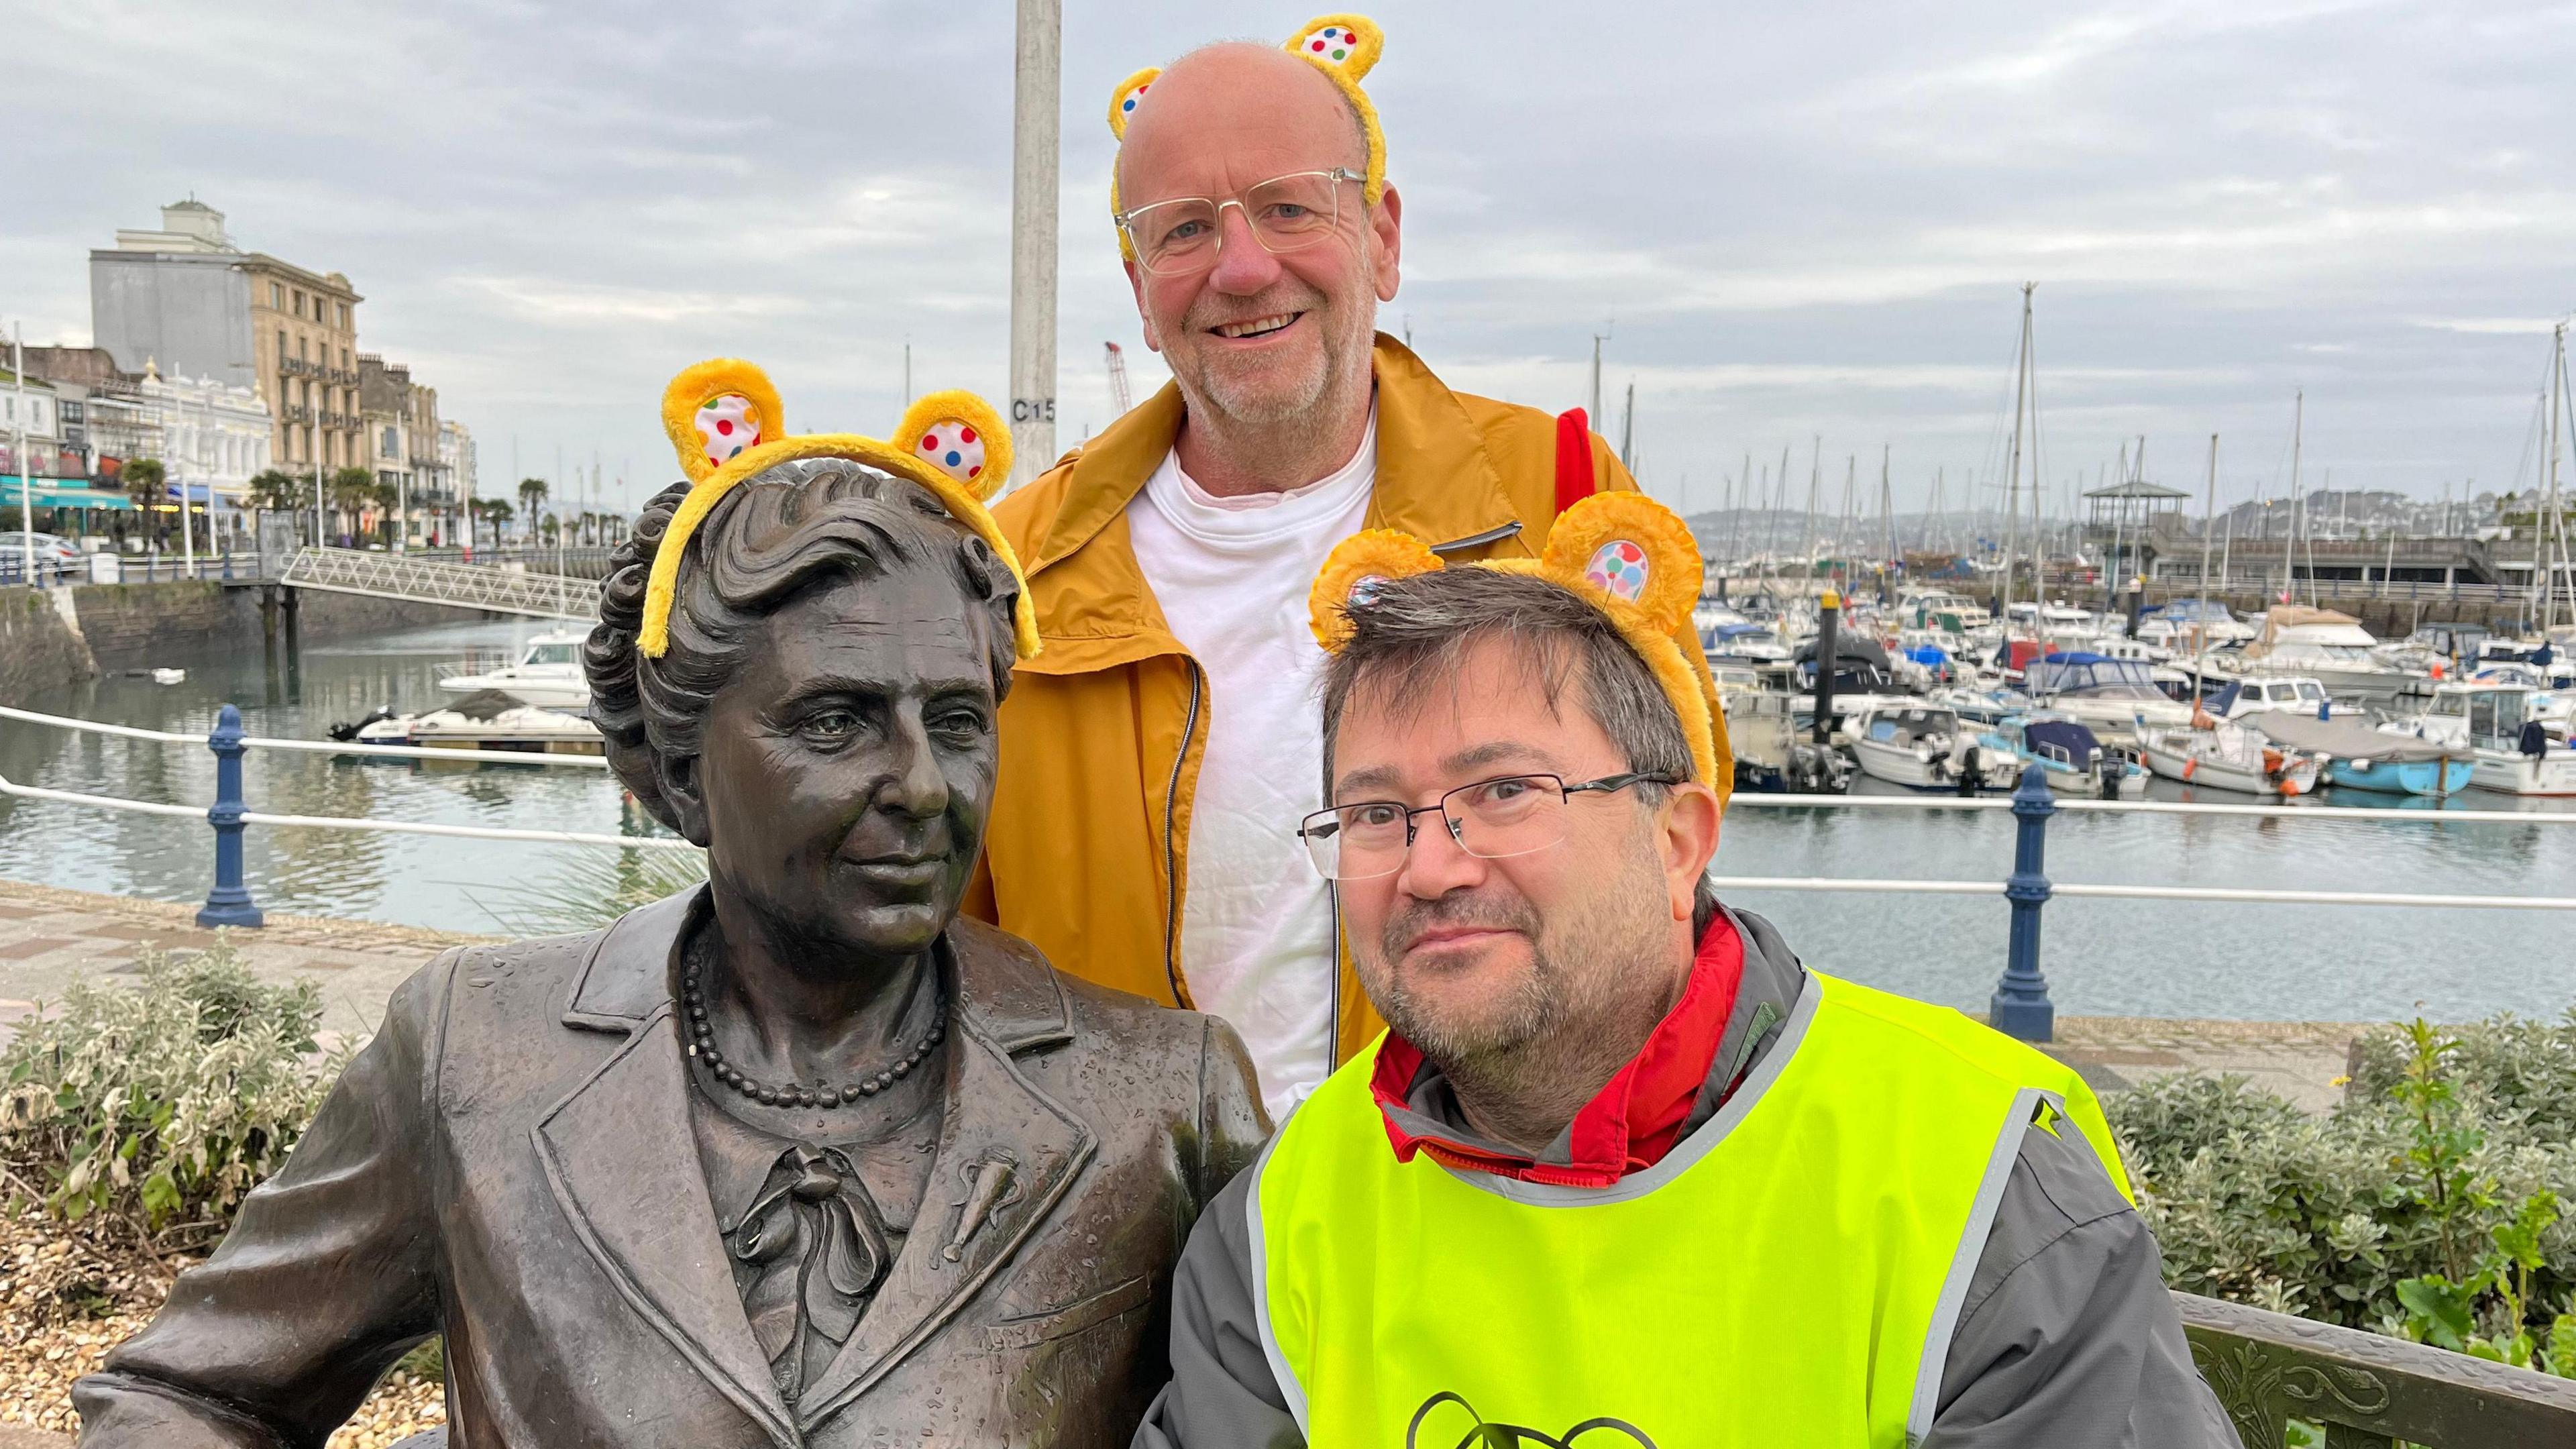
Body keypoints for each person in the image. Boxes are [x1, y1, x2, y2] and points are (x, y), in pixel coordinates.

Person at [76, 362, 1265, 1448]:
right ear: (679, 767)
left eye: (956, 721)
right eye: (836, 721)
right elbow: (189, 1396)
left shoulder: (1165, 1099)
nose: (919, 786)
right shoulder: (470, 1053)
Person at [1137, 494, 2236, 1447]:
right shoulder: (1288, 1216)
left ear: (1677, 841)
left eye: (1506, 792)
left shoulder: (1978, 1189)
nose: (1429, 866)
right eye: (1378, 815)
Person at [973, 13, 1720, 1117]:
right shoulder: (1007, 570)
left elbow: (1676, 874)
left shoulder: (1556, 498)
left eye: (1288, 207)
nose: (1240, 266)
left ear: (1381, 235)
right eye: (1182, 231)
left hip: (1477, 1204)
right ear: (1137, 284)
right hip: (1113, 1236)